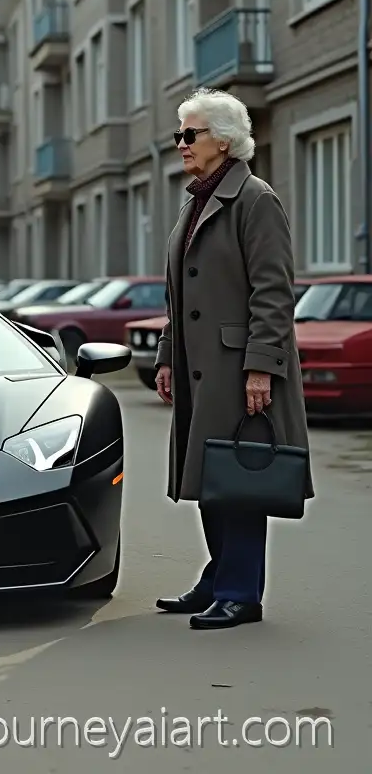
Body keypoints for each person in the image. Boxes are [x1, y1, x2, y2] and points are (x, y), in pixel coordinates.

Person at [153, 88, 312, 630]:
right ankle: (219, 576)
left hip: (238, 369)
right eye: (178, 135)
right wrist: (167, 357)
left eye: (189, 134)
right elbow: (180, 295)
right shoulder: (196, 199)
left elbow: (274, 292)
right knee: (211, 476)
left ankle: (240, 593)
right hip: (200, 369)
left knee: (238, 477)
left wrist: (261, 367)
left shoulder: (255, 199)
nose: (181, 144)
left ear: (222, 140)